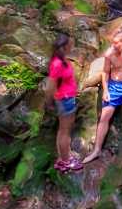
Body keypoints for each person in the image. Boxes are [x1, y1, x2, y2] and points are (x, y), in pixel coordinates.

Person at [83, 29, 122, 163]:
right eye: (113, 42)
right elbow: (105, 73)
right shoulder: (109, 54)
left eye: (117, 43)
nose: (114, 45)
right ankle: (96, 150)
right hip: (114, 86)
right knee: (104, 116)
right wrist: (105, 91)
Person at [47, 33, 82, 172]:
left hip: (66, 97)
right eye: (71, 44)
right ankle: (66, 162)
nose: (72, 46)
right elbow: (50, 86)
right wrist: (50, 101)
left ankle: (62, 158)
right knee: (65, 131)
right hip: (65, 100)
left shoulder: (61, 60)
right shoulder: (57, 63)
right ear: (65, 46)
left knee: (62, 130)